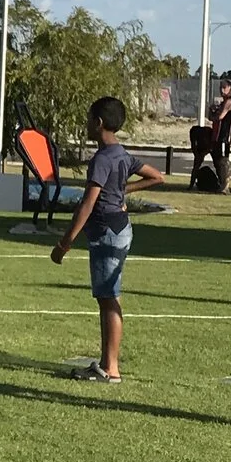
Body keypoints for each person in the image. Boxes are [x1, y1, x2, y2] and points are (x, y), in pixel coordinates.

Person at [49, 96, 166, 383]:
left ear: (98, 123)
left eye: (89, 119)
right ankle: (105, 364)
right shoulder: (121, 154)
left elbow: (87, 204)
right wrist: (121, 191)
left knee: (109, 298)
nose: (86, 124)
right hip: (120, 227)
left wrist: (64, 243)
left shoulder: (102, 159)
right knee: (107, 297)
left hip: (107, 234)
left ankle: (111, 369)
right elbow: (156, 176)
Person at [210, 79, 231, 188]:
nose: (222, 90)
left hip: (224, 135)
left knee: (223, 160)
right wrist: (212, 111)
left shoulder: (230, 101)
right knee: (217, 160)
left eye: (224, 87)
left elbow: (220, 116)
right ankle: (220, 182)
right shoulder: (222, 103)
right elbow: (212, 117)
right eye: (220, 87)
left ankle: (225, 186)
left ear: (229, 89)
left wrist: (215, 115)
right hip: (217, 135)